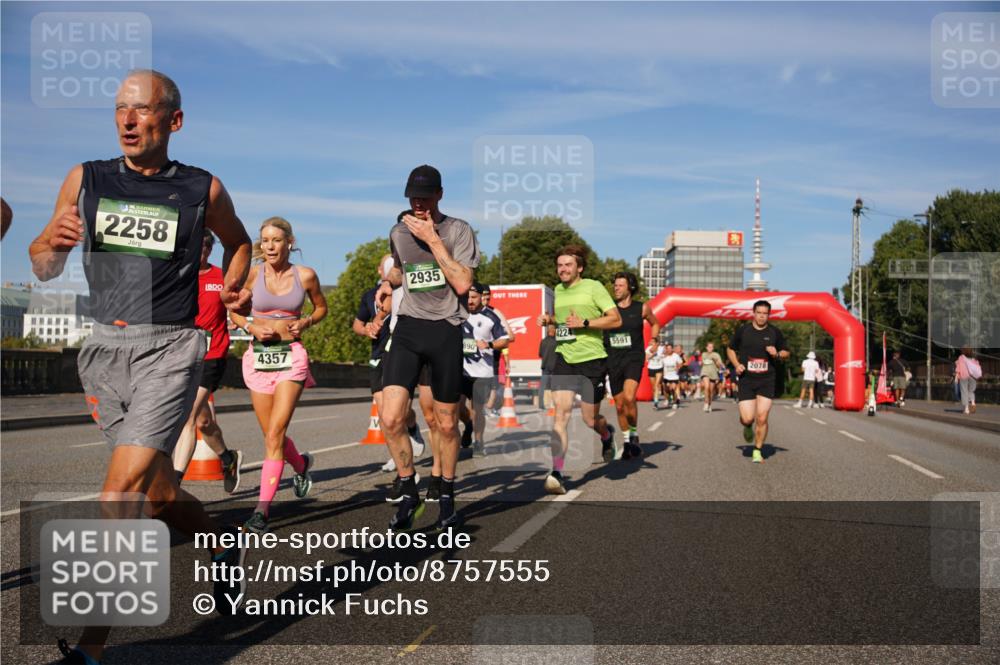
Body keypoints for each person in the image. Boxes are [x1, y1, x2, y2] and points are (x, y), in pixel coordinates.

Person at [30, 70, 252, 665]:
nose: (128, 120)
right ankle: (221, 544)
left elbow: (241, 242)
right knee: (157, 496)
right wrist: (50, 242)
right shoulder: (87, 178)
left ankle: (90, 649)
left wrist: (233, 283)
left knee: (117, 495)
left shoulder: (202, 190)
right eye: (120, 109)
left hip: (172, 349)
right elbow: (44, 266)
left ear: (173, 121)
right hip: (104, 349)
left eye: (142, 110)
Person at [376, 165, 479, 531]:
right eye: (412, 198)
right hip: (408, 329)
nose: (417, 204)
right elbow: (404, 270)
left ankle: (447, 497)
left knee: (447, 422)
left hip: (445, 330)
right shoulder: (398, 232)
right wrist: (390, 282)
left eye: (424, 197)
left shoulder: (458, 231)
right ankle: (409, 491)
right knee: (390, 418)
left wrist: (434, 240)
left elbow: (463, 282)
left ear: (439, 195)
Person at [228, 217, 327, 534]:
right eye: (265, 240)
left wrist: (308, 322)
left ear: (289, 243)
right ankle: (300, 465)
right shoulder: (252, 274)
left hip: (291, 357)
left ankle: (261, 510)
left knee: (274, 434)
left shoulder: (306, 275)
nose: (270, 246)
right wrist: (251, 326)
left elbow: (321, 308)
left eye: (276, 240)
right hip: (258, 358)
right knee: (272, 434)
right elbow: (234, 310)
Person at [536, 244, 621, 494]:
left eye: (568, 265)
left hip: (592, 359)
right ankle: (557, 472)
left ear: (579, 268)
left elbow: (615, 319)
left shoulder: (593, 287)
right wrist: (550, 320)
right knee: (560, 415)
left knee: (589, 419)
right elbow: (564, 322)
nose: (562, 269)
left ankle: (606, 435)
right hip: (565, 357)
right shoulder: (559, 291)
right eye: (560, 265)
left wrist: (585, 322)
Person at [171, 229, 242, 492]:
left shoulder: (220, 277)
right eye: (194, 245)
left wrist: (239, 319)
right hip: (181, 354)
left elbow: (236, 307)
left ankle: (174, 483)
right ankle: (228, 458)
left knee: (187, 417)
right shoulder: (179, 277)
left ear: (210, 250)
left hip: (213, 354)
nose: (199, 250)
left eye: (204, 246)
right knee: (203, 422)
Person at [352, 254, 425, 474]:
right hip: (377, 356)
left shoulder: (406, 291)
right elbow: (357, 324)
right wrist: (367, 330)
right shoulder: (368, 296)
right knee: (385, 414)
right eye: (387, 265)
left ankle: (411, 428)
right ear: (379, 270)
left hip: (401, 353)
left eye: (396, 265)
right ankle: (397, 455)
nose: (392, 268)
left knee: (397, 413)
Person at [603, 271, 659, 458]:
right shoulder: (608, 309)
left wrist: (655, 338)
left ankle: (634, 435)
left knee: (629, 397)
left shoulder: (641, 308)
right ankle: (627, 441)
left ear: (630, 288)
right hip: (613, 359)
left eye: (620, 285)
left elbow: (655, 323)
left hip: (633, 357)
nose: (616, 288)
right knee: (619, 406)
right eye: (615, 285)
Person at [726, 300, 790, 463]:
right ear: (753, 313)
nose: (762, 316)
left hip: (767, 379)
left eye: (765, 313)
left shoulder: (774, 332)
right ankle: (747, 426)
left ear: (769, 315)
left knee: (762, 417)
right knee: (748, 418)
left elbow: (786, 352)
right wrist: (736, 364)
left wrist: (777, 353)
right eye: (759, 313)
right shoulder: (743, 331)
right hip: (747, 379)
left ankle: (757, 450)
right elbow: (730, 348)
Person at [460, 283, 510, 456]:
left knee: (477, 410)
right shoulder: (458, 314)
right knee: (457, 408)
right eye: (467, 297)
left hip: (482, 373)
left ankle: (479, 441)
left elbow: (505, 340)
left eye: (473, 297)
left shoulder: (491, 317)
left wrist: (488, 344)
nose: (470, 301)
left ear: (481, 297)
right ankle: (467, 425)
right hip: (460, 370)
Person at [480, 284, 516, 420]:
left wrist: (491, 341)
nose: (485, 301)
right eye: (483, 297)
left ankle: (488, 408)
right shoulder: (467, 310)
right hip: (470, 358)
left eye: (488, 298)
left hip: (490, 356)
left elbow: (510, 337)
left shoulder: (495, 312)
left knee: (492, 389)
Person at [955, 347, 981, 415]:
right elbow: (977, 365)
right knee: (971, 391)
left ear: (963, 351)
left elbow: (958, 367)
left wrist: (956, 376)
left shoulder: (961, 357)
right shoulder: (974, 359)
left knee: (964, 392)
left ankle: (966, 409)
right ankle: (973, 403)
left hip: (964, 376)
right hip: (973, 376)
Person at [700, 342, 724, 412]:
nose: (710, 348)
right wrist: (701, 363)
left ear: (713, 348)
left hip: (713, 373)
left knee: (710, 390)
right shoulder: (703, 354)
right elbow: (702, 363)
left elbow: (720, 365)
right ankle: (706, 403)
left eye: (711, 347)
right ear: (706, 347)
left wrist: (716, 361)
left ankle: (710, 404)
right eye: (709, 347)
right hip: (705, 372)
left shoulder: (716, 355)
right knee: (706, 387)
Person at [538, 322, 558, 410]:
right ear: (553, 331)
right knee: (555, 386)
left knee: (542, 386)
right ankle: (554, 404)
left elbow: (540, 354)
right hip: (554, 367)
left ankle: (541, 405)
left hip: (545, 366)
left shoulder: (543, 341)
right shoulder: (557, 342)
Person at [661, 343, 683, 409]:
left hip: (674, 376)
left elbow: (681, 363)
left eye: (670, 348)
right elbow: (660, 366)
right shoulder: (664, 357)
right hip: (666, 376)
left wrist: (678, 367)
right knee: (667, 389)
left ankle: (675, 402)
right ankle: (667, 399)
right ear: (666, 349)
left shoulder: (675, 356)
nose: (669, 350)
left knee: (673, 388)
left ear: (672, 349)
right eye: (668, 348)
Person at [647, 340, 665, 407]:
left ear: (657, 343)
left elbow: (665, 355)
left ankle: (656, 401)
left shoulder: (661, 348)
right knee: (653, 386)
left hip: (659, 368)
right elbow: (646, 358)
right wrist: (653, 354)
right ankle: (655, 397)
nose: (651, 343)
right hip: (651, 368)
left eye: (653, 342)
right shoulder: (648, 349)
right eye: (651, 342)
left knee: (657, 385)